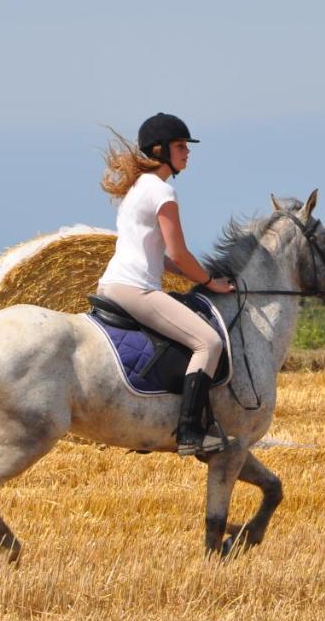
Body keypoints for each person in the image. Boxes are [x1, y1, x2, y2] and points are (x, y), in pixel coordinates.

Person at [96, 113, 236, 456]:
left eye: (186, 146)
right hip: (136, 290)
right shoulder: (162, 191)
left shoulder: (136, 190)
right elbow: (179, 252)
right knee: (208, 342)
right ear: (160, 150)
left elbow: (166, 259)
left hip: (113, 285)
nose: (187, 152)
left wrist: (188, 274)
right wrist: (209, 282)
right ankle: (189, 432)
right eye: (180, 146)